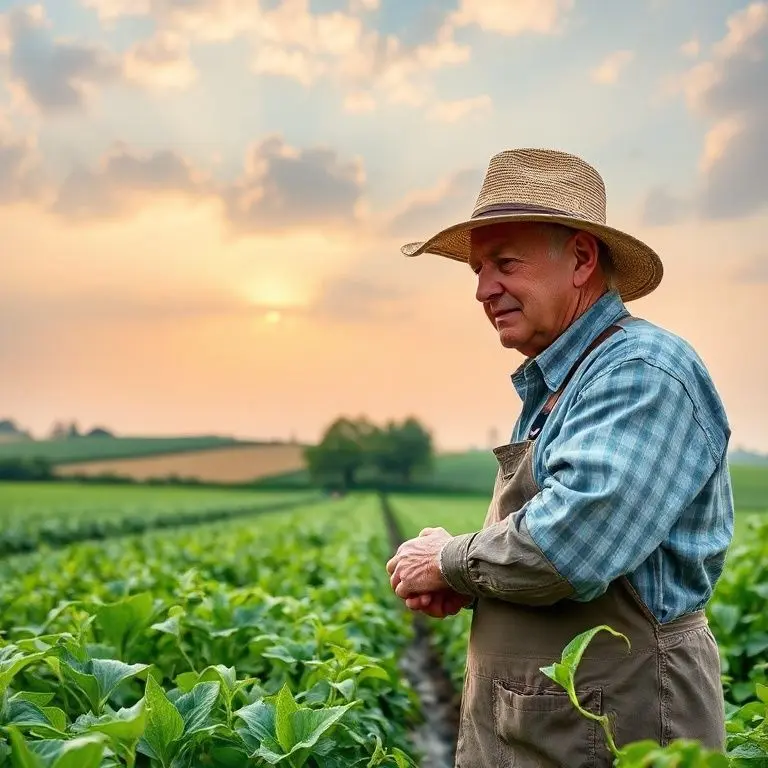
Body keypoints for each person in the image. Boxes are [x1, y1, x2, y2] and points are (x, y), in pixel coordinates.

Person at [385, 148, 734, 767]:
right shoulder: (560, 382)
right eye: (476, 269)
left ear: (580, 258)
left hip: (613, 736)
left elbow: (571, 544)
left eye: (504, 263)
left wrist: (449, 560)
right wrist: (477, 587)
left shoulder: (641, 371)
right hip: (548, 736)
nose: (482, 289)